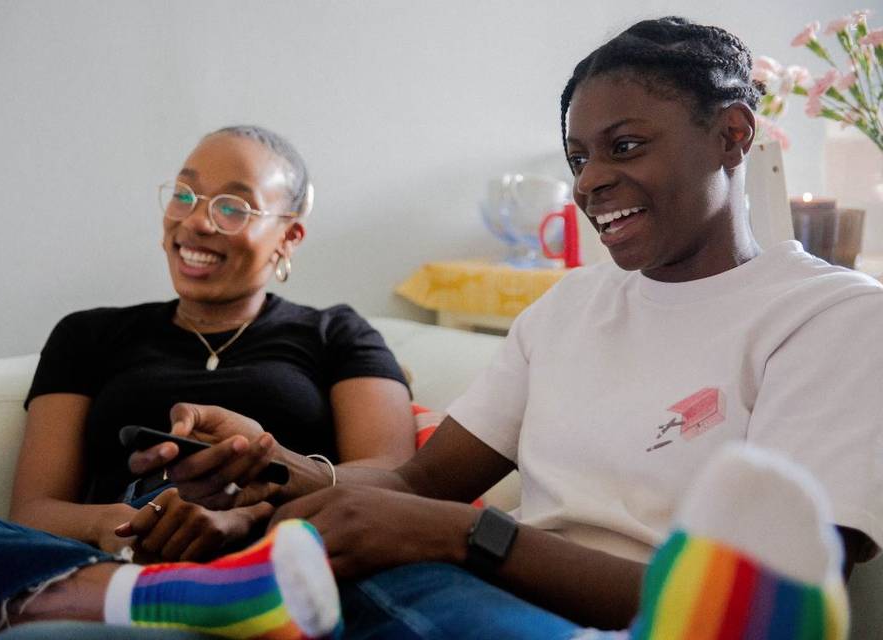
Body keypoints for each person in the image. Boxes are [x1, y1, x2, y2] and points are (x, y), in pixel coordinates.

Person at [144, 17, 883, 639]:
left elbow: (767, 608)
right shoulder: (568, 309)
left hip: (630, 622)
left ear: (732, 135)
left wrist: (466, 538)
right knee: (76, 559)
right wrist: (270, 467)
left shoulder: (830, 316)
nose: (589, 180)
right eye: (578, 158)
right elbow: (422, 481)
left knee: (322, 580)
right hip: (487, 601)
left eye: (624, 146)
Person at [0, 125, 415, 636]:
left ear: (288, 235)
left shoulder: (337, 333)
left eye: (232, 207)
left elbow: (397, 478)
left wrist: (246, 517)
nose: (196, 221)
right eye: (184, 195)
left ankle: (222, 594)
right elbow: (32, 510)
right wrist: (120, 525)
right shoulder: (89, 333)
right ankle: (171, 597)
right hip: (113, 551)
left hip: (278, 549)